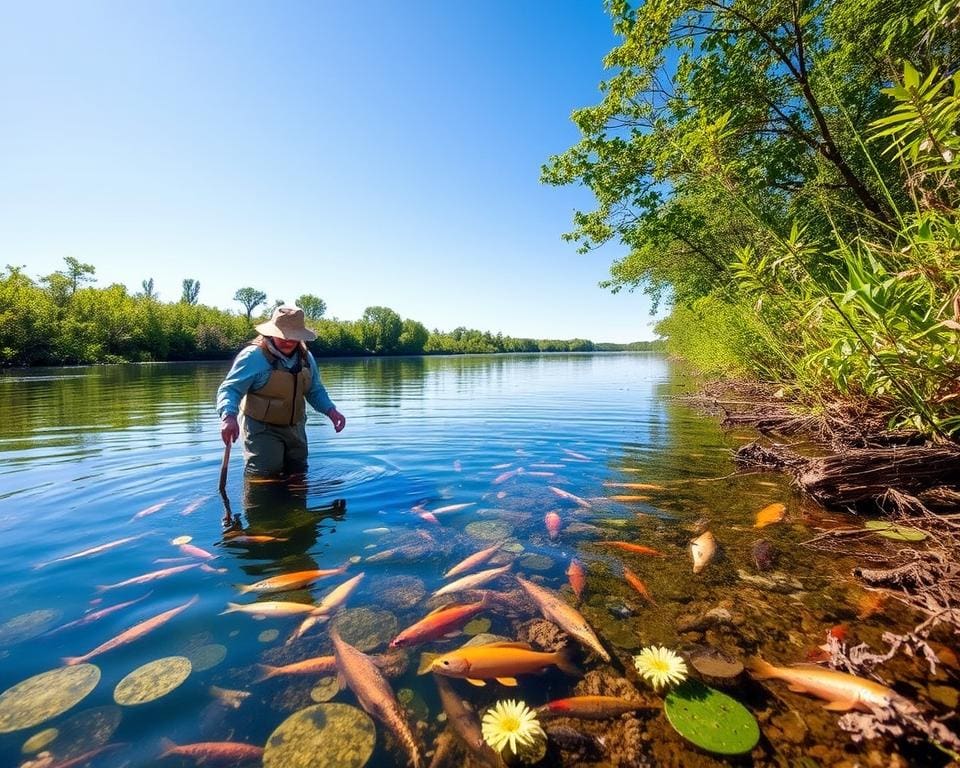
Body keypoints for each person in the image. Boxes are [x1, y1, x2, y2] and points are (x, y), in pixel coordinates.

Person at [217, 305, 346, 477]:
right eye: (282, 335)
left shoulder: (306, 358)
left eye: (293, 336)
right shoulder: (253, 356)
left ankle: (294, 504)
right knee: (264, 476)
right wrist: (228, 417)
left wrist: (331, 411)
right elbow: (230, 389)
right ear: (272, 332)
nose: (287, 340)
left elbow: (314, 390)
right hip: (261, 429)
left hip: (296, 428)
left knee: (298, 474)